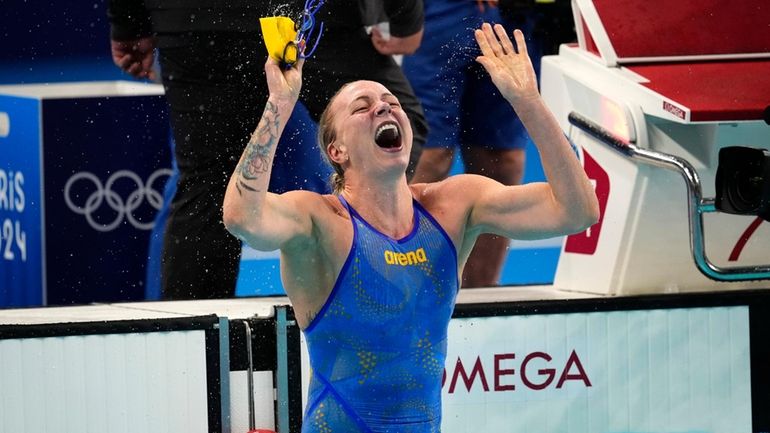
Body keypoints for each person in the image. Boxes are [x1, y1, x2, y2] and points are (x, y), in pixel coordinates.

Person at [223, 23, 599, 431]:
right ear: (337, 150)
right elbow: (242, 217)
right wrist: (279, 104)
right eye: (362, 106)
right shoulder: (320, 222)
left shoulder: (452, 205)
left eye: (390, 101)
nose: (384, 107)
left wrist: (527, 101)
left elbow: (577, 211)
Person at [107, 0, 428, 299]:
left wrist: (129, 23)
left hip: (197, 21)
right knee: (392, 129)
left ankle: (193, 340)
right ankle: (372, 298)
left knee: (205, 187)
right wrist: (404, 19)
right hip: (308, 20)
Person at [401, 0, 544, 288]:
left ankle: (480, 296)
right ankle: (399, 291)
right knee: (429, 156)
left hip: (514, 14)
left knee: (501, 161)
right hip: (437, 12)